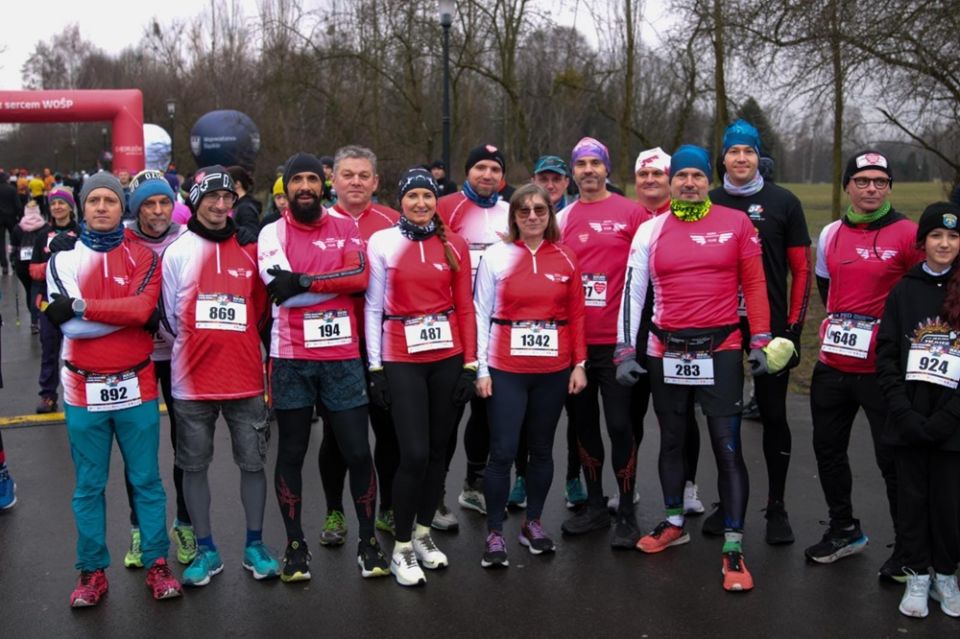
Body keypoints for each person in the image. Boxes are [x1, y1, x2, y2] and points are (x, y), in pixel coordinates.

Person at [617, 144, 789, 592]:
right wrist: (624, 350)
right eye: (681, 177)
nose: (689, 183)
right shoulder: (651, 230)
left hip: (722, 348)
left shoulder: (735, 223)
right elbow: (633, 293)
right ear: (670, 182)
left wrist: (761, 338)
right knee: (672, 439)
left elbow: (754, 282)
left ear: (705, 181)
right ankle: (674, 521)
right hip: (665, 350)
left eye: (697, 175)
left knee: (726, 446)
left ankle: (733, 545)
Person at [43, 172, 181, 606]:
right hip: (83, 388)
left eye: (111, 200)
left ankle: (158, 564)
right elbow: (70, 327)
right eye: (94, 200)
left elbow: (142, 310)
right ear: (83, 207)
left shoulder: (144, 255)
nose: (102, 207)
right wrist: (111, 315)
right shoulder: (62, 259)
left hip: (136, 384)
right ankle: (91, 572)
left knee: (147, 481)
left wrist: (84, 305)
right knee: (89, 485)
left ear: (124, 209)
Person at [258, 153, 385, 582]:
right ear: (287, 188)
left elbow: (361, 278)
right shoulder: (270, 233)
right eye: (298, 180)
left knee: (357, 450)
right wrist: (328, 283)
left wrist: (308, 280)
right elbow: (280, 290)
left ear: (323, 184)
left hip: (343, 358)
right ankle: (295, 545)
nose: (306, 186)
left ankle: (368, 541)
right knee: (291, 452)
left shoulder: (345, 226)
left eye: (313, 178)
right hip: (291, 358)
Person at [806, 150, 924, 579]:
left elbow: (924, 294)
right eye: (862, 181)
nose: (871, 188)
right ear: (848, 187)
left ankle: (910, 549)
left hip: (884, 371)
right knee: (828, 453)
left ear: (890, 186)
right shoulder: (832, 232)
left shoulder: (910, 234)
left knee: (892, 461)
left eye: (880, 181)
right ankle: (844, 530)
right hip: (833, 364)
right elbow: (826, 285)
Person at [160, 165, 280, 586]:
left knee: (253, 464)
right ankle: (207, 550)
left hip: (245, 378)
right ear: (195, 200)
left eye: (228, 197)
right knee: (193, 467)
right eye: (211, 197)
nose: (221, 204)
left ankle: (254, 545)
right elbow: (168, 318)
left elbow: (263, 311)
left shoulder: (251, 248)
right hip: (192, 381)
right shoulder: (177, 251)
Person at [365, 168, 477, 586]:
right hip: (401, 356)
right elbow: (373, 308)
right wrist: (375, 368)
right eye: (412, 196)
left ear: (435, 201)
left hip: (447, 357)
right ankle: (401, 546)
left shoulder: (456, 244)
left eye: (427, 197)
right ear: (401, 201)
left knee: (437, 453)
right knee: (412, 453)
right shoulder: (383, 242)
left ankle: (425, 534)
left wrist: (471, 364)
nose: (420, 204)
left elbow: (465, 308)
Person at [708, 120, 812, 544]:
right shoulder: (708, 200)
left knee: (772, 416)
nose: (741, 159)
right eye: (733, 152)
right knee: (722, 418)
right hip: (718, 325)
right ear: (724, 159)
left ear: (758, 157)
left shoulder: (783, 202)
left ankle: (776, 506)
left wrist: (791, 331)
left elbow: (802, 270)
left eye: (748, 152)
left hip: (769, 328)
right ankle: (727, 502)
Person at [474, 183, 587, 568]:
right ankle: (493, 531)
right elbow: (480, 312)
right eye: (524, 211)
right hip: (506, 369)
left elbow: (577, 316)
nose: (533, 216)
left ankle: (532, 524)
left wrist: (580, 364)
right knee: (503, 451)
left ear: (550, 214)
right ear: (515, 216)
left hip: (553, 370)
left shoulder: (567, 257)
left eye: (540, 209)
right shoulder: (496, 256)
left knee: (541, 450)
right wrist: (481, 368)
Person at [555, 136, 648, 547]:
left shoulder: (633, 214)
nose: (589, 170)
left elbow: (649, 274)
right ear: (572, 172)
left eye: (596, 162)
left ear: (607, 169)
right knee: (583, 426)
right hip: (576, 345)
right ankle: (594, 505)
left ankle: (625, 508)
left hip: (618, 343)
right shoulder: (563, 216)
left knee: (619, 425)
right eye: (581, 164)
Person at [876, 202, 960, 618]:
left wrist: (946, 419)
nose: (944, 244)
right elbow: (887, 356)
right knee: (911, 501)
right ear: (922, 241)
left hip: (952, 426)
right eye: (936, 236)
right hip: (908, 419)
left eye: (952, 236)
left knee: (948, 505)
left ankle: (945, 573)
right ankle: (916, 575)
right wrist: (904, 413)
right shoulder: (904, 291)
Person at [318, 145, 401, 543]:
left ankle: (385, 508)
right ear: (332, 179)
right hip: (332, 346)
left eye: (363, 175)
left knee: (388, 432)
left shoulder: (394, 222)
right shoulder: (312, 222)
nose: (355, 181)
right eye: (347, 174)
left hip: (385, 345)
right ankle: (335, 512)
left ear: (376, 182)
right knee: (337, 437)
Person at [120, 170, 194, 568]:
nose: (158, 210)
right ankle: (140, 529)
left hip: (180, 356)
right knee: (140, 450)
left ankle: (184, 522)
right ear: (136, 209)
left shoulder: (186, 237)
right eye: (149, 203)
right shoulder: (123, 240)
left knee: (185, 446)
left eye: (164, 201)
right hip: (139, 357)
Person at [435, 144, 510, 528]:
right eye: (479, 167)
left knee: (485, 411)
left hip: (496, 328)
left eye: (494, 169)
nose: (487, 175)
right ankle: (434, 495)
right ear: (467, 172)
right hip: (453, 326)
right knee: (449, 412)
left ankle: (474, 485)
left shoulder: (512, 212)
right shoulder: (444, 206)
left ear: (503, 177)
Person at [630, 147, 704, 517]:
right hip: (635, 326)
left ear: (671, 180)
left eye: (658, 174)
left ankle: (688, 486)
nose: (650, 181)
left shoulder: (688, 218)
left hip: (676, 328)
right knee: (631, 412)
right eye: (643, 175)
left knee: (681, 414)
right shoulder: (627, 216)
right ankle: (628, 489)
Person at [512, 154, 587, 509]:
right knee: (525, 416)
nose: (551, 184)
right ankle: (522, 477)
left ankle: (573, 477)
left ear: (566, 182)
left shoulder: (574, 215)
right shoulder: (521, 215)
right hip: (522, 335)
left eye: (557, 179)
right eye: (544, 178)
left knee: (575, 415)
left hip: (565, 331)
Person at [30, 189, 79, 413]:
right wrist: (52, 264)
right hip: (48, 304)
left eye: (62, 203)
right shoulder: (42, 234)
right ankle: (48, 394)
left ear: (70, 207)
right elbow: (31, 270)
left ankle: (81, 391)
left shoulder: (81, 233)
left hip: (75, 302)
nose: (57, 207)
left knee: (78, 351)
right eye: (53, 203)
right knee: (49, 350)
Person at [9, 200, 45, 333]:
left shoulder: (18, 228)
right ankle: (35, 320)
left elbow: (12, 247)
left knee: (29, 291)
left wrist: (12, 261)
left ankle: (34, 317)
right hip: (38, 263)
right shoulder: (44, 226)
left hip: (21, 265)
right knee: (36, 290)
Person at [228, 165, 263, 237]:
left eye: (228, 182)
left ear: (237, 184)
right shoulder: (236, 205)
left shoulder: (246, 208)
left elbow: (252, 235)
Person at [0, 170, 22, 276]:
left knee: (1, 242)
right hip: (11, 217)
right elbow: (18, 205)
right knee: (14, 241)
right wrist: (20, 216)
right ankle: (14, 262)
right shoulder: (12, 189)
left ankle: (4, 265)